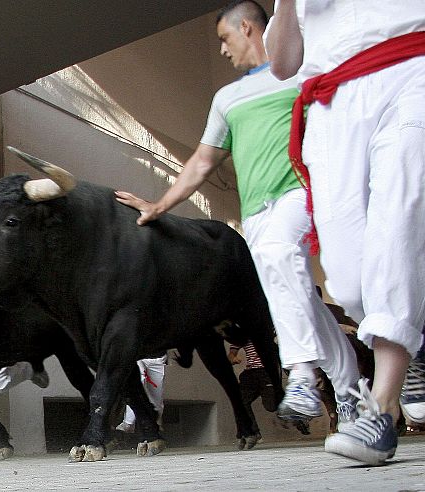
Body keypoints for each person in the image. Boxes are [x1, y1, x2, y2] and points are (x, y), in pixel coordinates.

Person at [115, 0, 359, 432]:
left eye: (224, 39)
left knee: (281, 255)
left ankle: (300, 373)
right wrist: (158, 205)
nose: (223, 51)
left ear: (247, 28)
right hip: (257, 211)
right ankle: (349, 391)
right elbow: (202, 163)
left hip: (302, 192)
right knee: (299, 294)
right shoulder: (227, 98)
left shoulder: (303, 71)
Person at [265, 0, 425, 465]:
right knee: (350, 281)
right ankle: (416, 341)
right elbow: (282, 63)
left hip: (410, 69)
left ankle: (382, 409)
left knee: (399, 220)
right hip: (333, 101)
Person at [115, 356, 167, 436]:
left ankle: (156, 422)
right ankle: (128, 423)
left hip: (157, 358)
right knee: (139, 381)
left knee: (156, 395)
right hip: (139, 355)